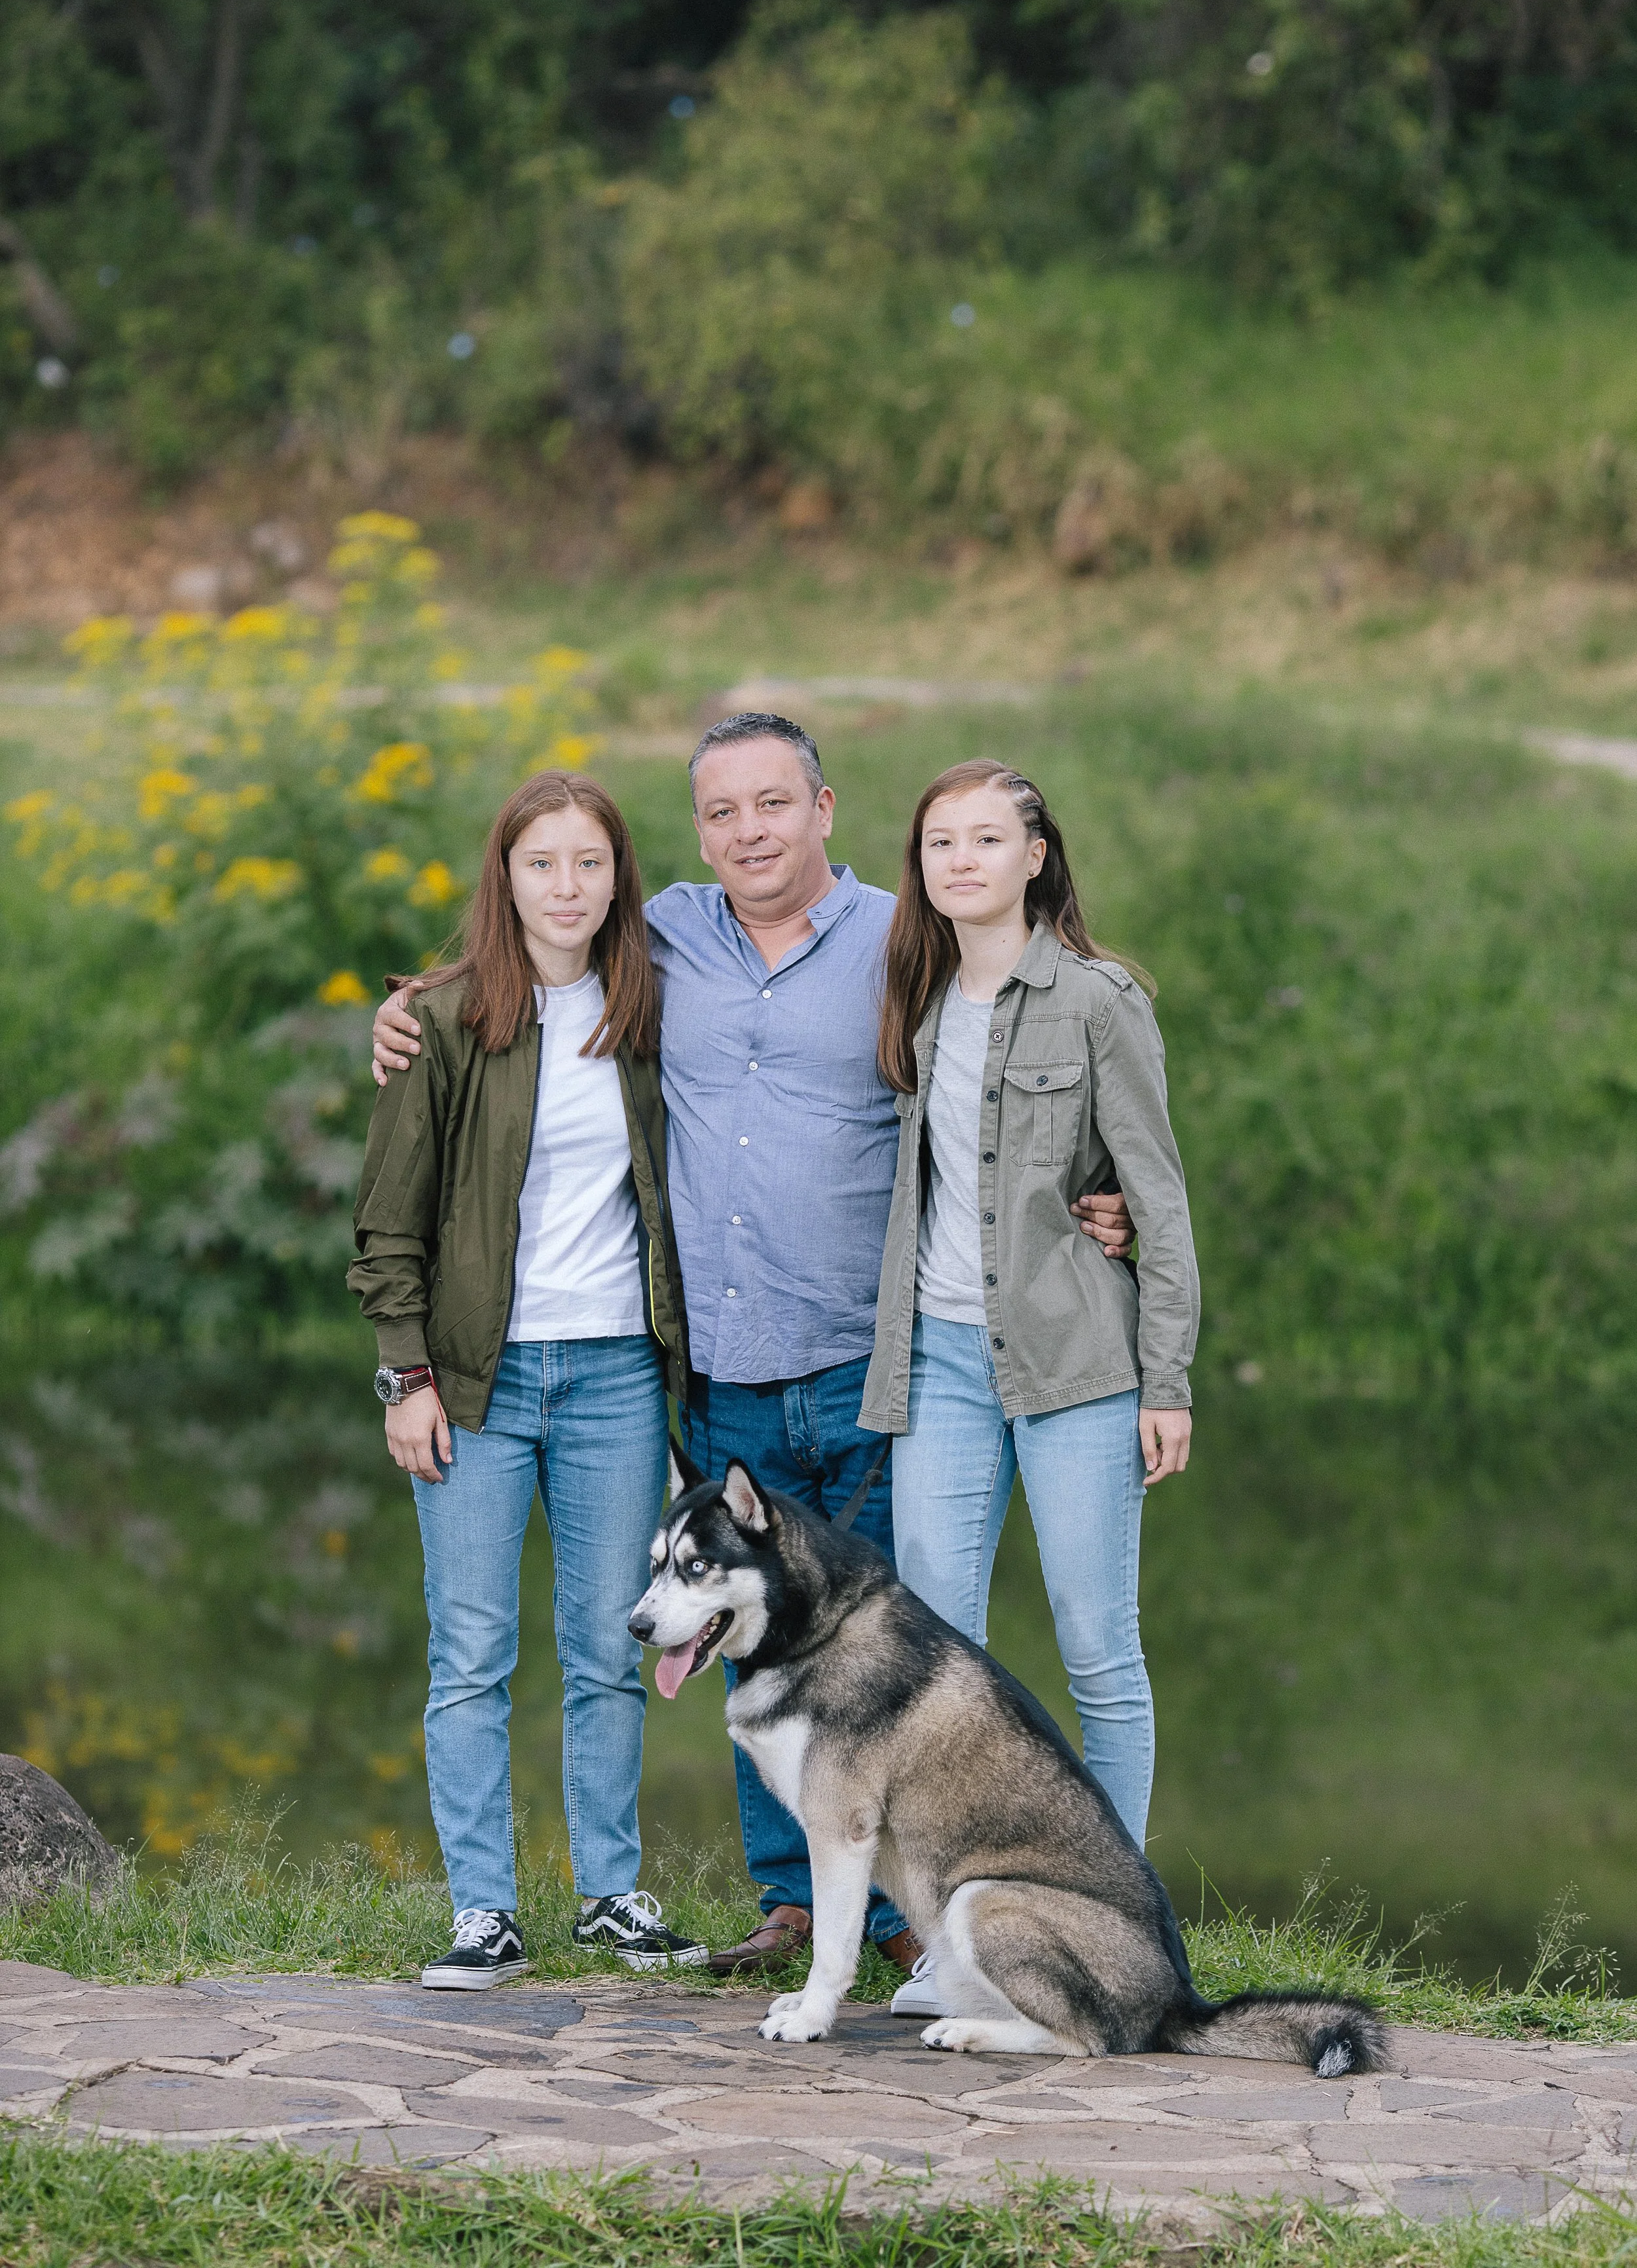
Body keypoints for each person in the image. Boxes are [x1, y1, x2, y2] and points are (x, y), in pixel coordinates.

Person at [371, 715, 1136, 1982]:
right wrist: (407, 1020)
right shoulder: (656, 937)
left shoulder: (908, 938)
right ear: (696, 833)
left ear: (824, 807)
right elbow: (512, 978)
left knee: (881, 1646)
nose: (749, 832)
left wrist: (1092, 1194)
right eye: (721, 813)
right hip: (712, 1367)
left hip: (866, 1356)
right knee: (745, 1637)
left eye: (773, 805)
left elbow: (1029, 1037)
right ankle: (790, 1901)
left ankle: (914, 1910)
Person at [348, 768, 707, 1988]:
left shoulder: (650, 1009)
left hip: (614, 1376)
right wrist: (405, 1379)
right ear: (505, 876)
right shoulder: (445, 1020)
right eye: (543, 863)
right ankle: (483, 1913)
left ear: (621, 880)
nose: (569, 887)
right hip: (474, 1383)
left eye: (591, 864)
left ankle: (611, 1893)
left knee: (613, 1645)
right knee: (474, 1651)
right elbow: (387, 1226)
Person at [860, 758, 1200, 1868]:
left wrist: (1169, 1382)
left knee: (1101, 1648)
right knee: (934, 1660)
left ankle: (1116, 1920)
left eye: (988, 839)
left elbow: (1157, 1199)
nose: (962, 860)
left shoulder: (1103, 1002)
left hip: (1077, 1364)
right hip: (940, 1361)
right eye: (941, 843)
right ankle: (954, 1922)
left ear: (1036, 855)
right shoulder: (914, 999)